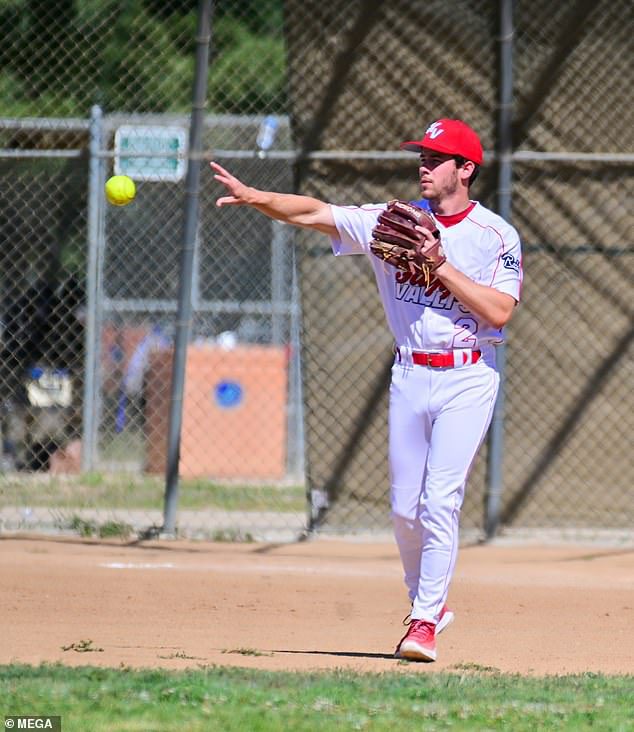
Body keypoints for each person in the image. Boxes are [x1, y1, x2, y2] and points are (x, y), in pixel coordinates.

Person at [210, 118, 523, 662]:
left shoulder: (496, 235)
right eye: (421, 157)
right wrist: (256, 196)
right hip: (409, 373)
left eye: (436, 158)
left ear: (466, 170)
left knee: (440, 502)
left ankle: (423, 621)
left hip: (469, 374)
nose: (423, 166)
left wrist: (440, 265)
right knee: (404, 510)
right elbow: (316, 212)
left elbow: (499, 311)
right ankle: (427, 603)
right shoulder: (394, 221)